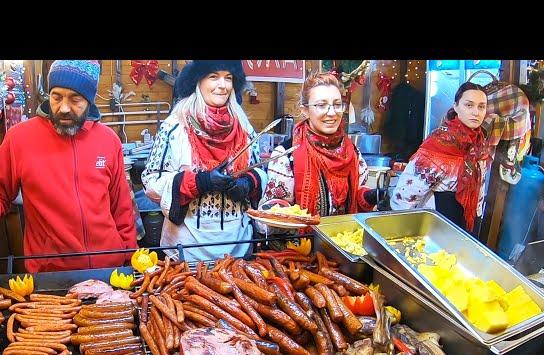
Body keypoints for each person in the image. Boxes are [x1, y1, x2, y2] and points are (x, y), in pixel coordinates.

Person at [0, 60, 138, 272]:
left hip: (108, 269)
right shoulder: (20, 138)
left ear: (90, 101)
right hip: (51, 274)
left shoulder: (108, 141)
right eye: (57, 97)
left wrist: (129, 260)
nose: (64, 108)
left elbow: (122, 208)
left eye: (75, 99)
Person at [142, 60, 265, 261]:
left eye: (228, 78)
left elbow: (259, 169)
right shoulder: (175, 127)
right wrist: (199, 183)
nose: (222, 85)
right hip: (185, 253)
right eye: (213, 77)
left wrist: (249, 183)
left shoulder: (245, 128)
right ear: (198, 81)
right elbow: (151, 181)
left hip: (238, 251)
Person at [258, 72, 378, 221]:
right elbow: (274, 205)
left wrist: (372, 196)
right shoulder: (286, 155)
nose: (332, 113)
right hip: (303, 243)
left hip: (341, 240)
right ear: (305, 110)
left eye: (337, 104)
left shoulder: (352, 152)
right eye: (322, 105)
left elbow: (358, 194)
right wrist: (278, 213)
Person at [390, 82, 490, 233]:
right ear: (456, 106)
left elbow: (480, 188)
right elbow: (404, 195)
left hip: (467, 223)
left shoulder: (479, 144)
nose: (476, 112)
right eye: (469, 105)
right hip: (437, 225)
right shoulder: (438, 144)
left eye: (481, 106)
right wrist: (400, 232)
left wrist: (477, 218)